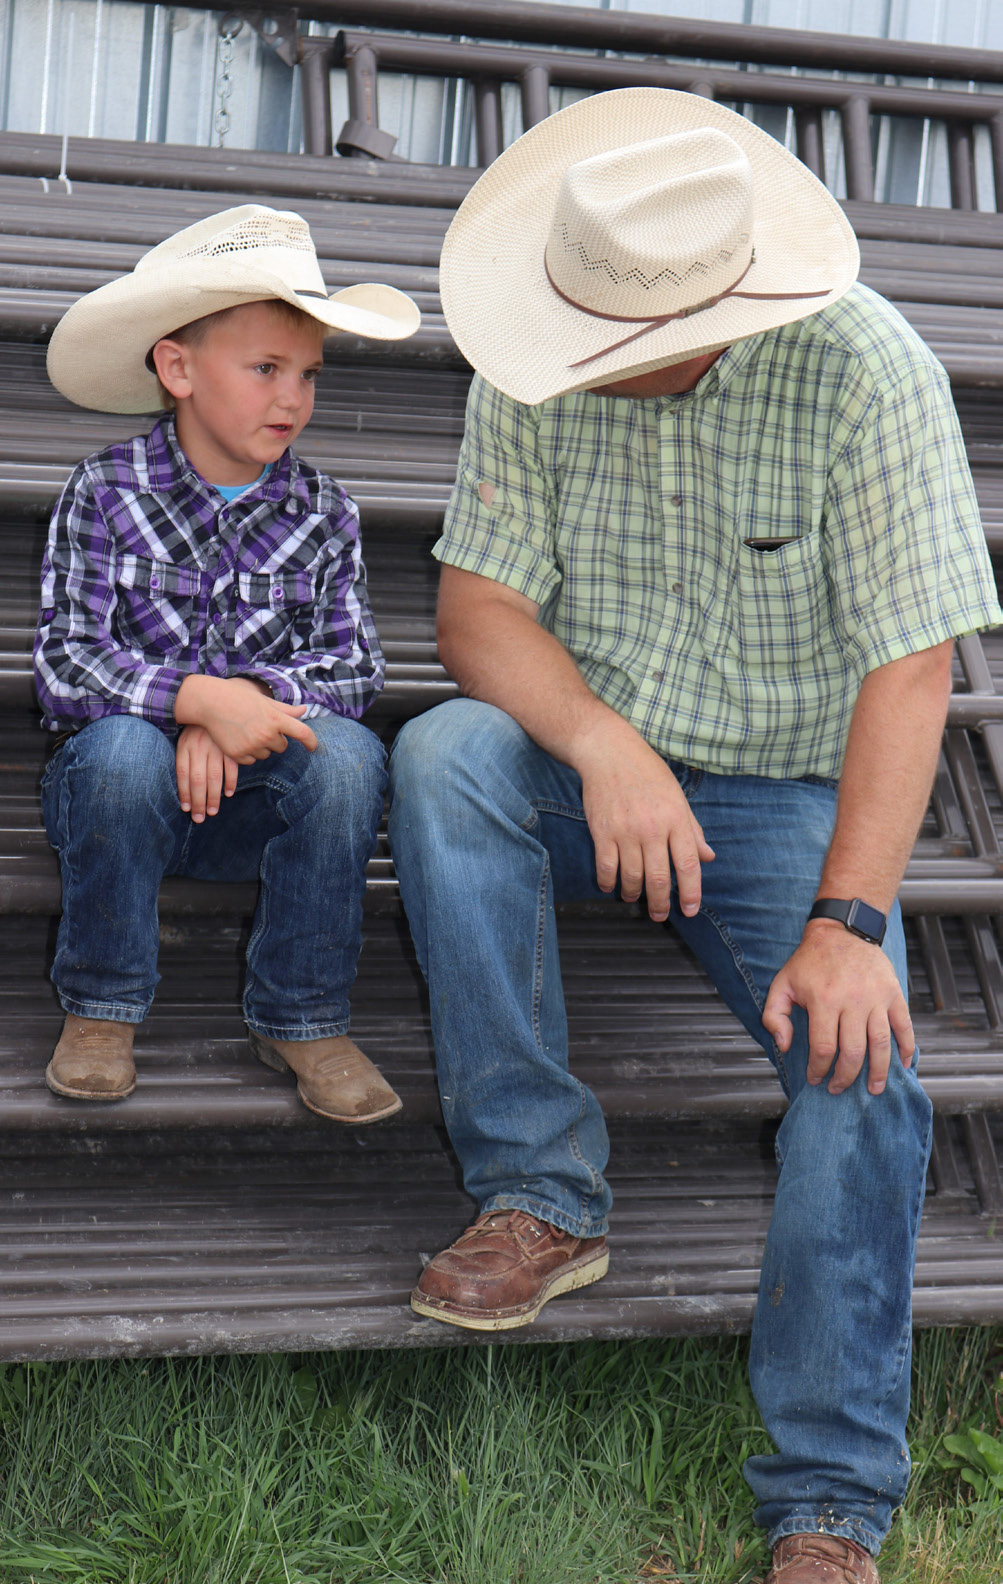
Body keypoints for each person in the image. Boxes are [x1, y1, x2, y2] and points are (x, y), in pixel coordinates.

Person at [386, 89, 1002, 1582]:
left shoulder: (867, 373)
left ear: (725, 299)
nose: (587, 361)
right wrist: (601, 746)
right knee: (445, 750)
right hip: (587, 755)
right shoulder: (534, 357)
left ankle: (825, 1504)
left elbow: (909, 667)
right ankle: (541, 1191)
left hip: (790, 791)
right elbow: (475, 612)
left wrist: (852, 924)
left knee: (868, 1076)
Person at [35, 203, 420, 1123]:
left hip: (254, 809)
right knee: (123, 755)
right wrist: (191, 701)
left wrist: (241, 709)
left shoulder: (325, 511)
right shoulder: (106, 489)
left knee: (351, 759)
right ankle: (101, 1005)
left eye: (308, 375)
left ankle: (301, 1012)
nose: (292, 398)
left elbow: (354, 666)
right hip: (122, 799)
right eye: (264, 369)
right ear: (177, 368)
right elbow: (64, 661)